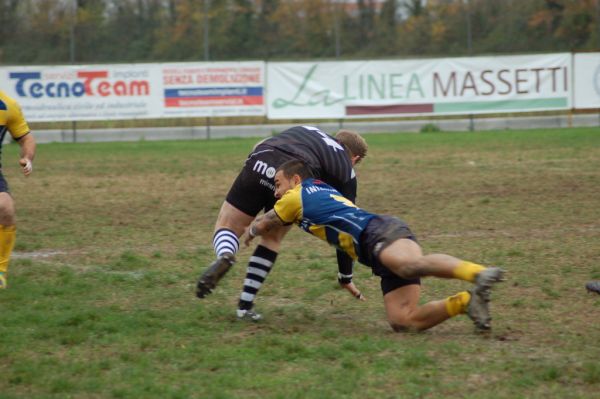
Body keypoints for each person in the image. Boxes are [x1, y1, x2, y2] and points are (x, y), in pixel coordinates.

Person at [244, 160, 505, 332]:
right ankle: (466, 302)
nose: (276, 192)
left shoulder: (294, 197)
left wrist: (249, 231)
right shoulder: (317, 188)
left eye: (278, 184)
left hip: (375, 232)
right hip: (372, 247)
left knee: (409, 266)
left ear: (296, 179)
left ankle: (479, 274)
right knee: (403, 321)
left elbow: (267, 223)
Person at [196, 126, 369, 320]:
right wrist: (345, 276)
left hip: (263, 157)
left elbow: (260, 144)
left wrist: (253, 168)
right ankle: (244, 307)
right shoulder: (346, 171)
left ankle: (226, 254)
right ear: (354, 158)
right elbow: (346, 226)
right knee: (272, 238)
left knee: (228, 224)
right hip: (295, 176)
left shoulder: (308, 130)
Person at [0, 90, 36, 289]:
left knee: (5, 209)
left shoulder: (7, 105)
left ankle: (0, 272)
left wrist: (27, 158)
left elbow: (27, 139)